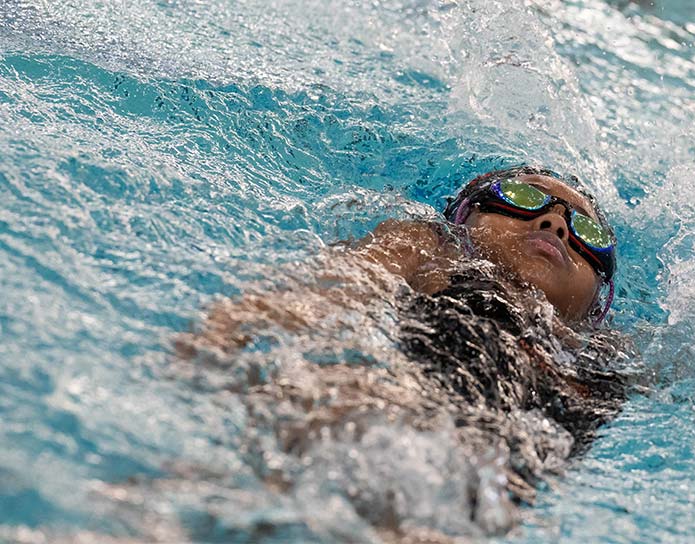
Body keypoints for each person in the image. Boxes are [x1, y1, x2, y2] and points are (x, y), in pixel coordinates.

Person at [174, 165, 635, 540]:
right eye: (521, 196)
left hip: (490, 484)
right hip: (398, 409)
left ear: (599, 300)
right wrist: (221, 334)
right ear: (462, 216)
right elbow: (324, 289)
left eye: (586, 230)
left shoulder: (609, 351)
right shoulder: (432, 248)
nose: (553, 223)